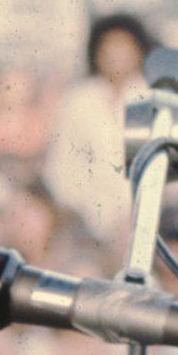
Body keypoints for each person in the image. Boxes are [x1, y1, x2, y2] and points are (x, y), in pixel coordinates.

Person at [43, 13, 154, 247]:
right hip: (86, 223)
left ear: (139, 50)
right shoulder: (78, 100)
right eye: (108, 47)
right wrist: (86, 214)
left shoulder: (156, 100)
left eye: (123, 46)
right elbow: (62, 166)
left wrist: (135, 218)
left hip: (147, 224)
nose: (115, 55)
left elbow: (168, 176)